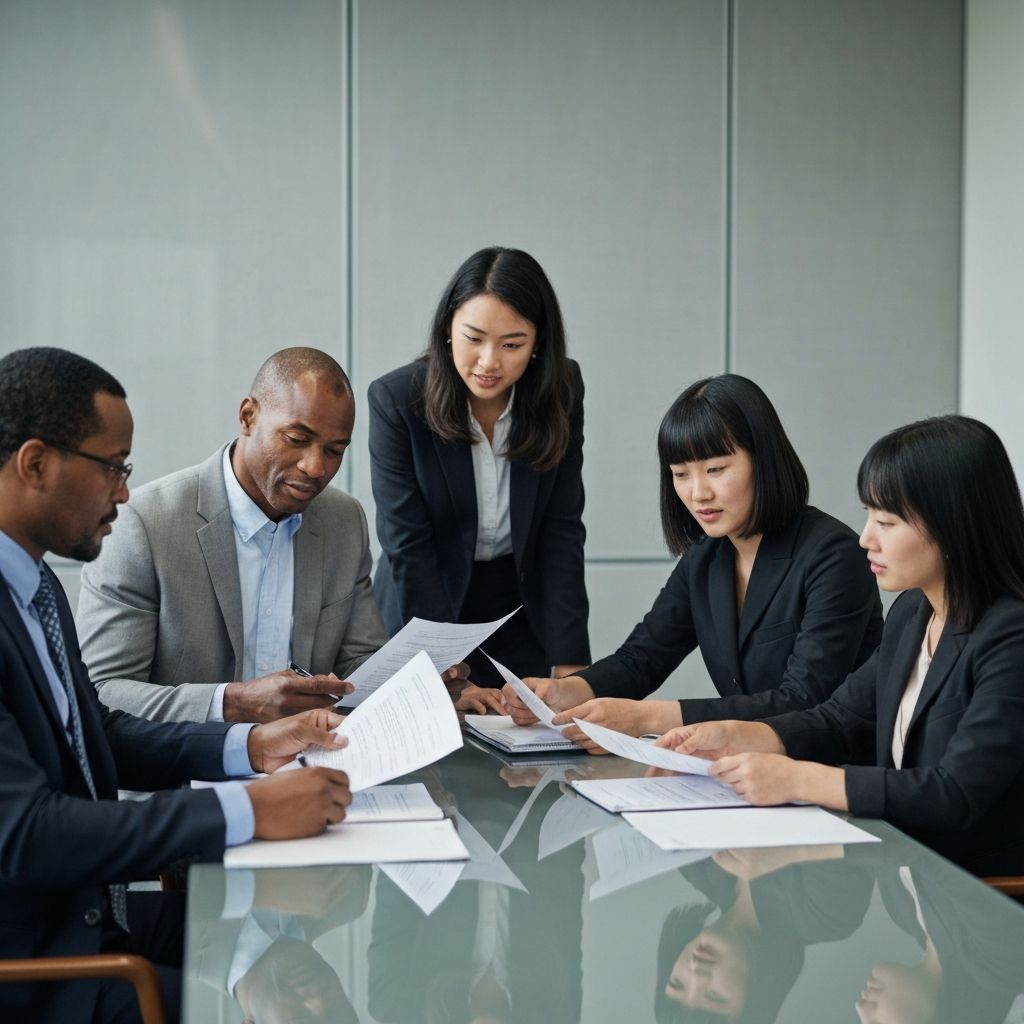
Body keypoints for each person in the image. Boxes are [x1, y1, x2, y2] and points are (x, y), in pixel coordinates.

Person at [0, 347, 355, 1024]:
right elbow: (28, 833)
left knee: (293, 938)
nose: (123, 492)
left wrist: (249, 747)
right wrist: (246, 810)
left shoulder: (34, 584)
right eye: (113, 467)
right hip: (37, 962)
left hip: (85, 912)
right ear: (36, 463)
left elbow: (96, 734)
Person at [659, 414, 1024, 877]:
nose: (866, 538)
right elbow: (840, 719)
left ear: (956, 525)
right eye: (869, 515)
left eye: (886, 521)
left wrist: (798, 779)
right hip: (906, 874)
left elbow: (954, 794)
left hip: (978, 895)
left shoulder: (1011, 635)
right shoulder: (913, 612)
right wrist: (738, 736)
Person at [78, 347, 465, 724]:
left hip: (313, 759)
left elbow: (356, 665)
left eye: (334, 450)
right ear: (248, 417)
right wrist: (233, 703)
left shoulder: (344, 521)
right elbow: (101, 693)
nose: (316, 467)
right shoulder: (144, 524)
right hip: (193, 766)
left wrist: (417, 684)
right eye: (297, 439)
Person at [504, 374, 883, 750]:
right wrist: (566, 691)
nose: (698, 493)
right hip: (751, 770)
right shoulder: (706, 556)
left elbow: (802, 700)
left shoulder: (834, 555)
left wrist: (646, 719)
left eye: (715, 469)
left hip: (835, 771)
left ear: (764, 460)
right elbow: (641, 659)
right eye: (681, 474)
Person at [368, 247, 590, 709]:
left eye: (512, 345)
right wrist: (445, 671)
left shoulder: (560, 391)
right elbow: (408, 546)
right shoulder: (397, 401)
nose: (489, 362)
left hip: (516, 608)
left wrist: (571, 663)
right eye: (474, 338)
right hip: (423, 606)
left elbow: (561, 529)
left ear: (538, 343)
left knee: (522, 743)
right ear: (447, 329)